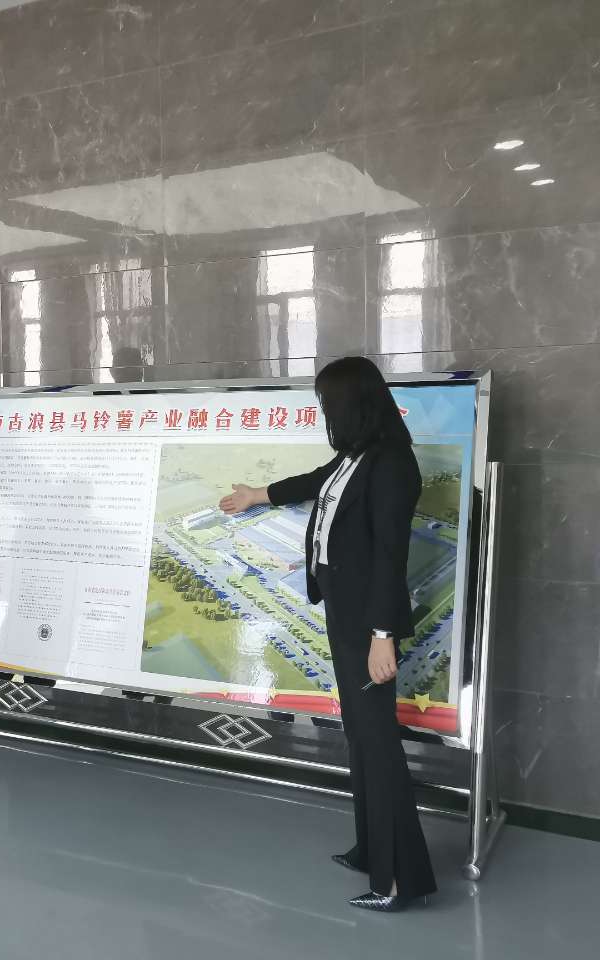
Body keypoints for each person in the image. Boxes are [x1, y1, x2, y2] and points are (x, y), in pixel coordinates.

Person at [219, 356, 437, 912]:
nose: (324, 414)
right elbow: (314, 482)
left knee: (378, 742)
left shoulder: (392, 464)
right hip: (344, 610)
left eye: (327, 404)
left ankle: (399, 880)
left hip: (368, 621)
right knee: (361, 736)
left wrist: (383, 634)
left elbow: (390, 554)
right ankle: (371, 850)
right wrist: (258, 494)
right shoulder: (356, 455)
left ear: (352, 403)